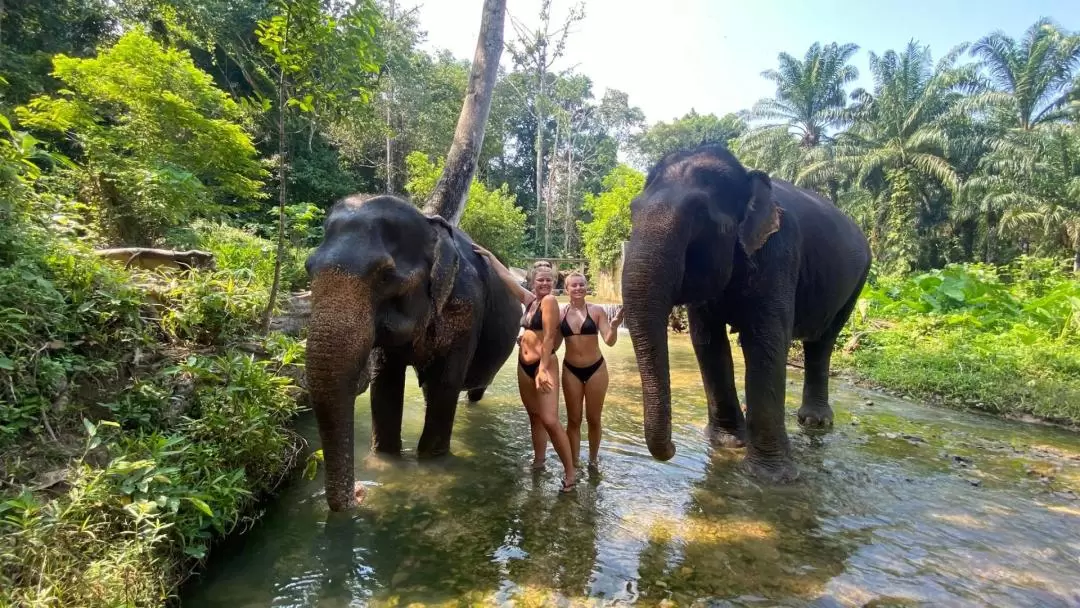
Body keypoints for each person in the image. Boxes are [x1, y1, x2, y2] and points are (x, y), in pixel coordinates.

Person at [473, 244, 578, 492]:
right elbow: (507, 278)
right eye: (540, 279)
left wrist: (542, 368)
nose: (545, 283)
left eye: (549, 280)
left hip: (544, 366)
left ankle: (570, 472)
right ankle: (539, 461)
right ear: (532, 282)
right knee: (534, 418)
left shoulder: (550, 301)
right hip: (523, 366)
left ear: (553, 283)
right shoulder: (530, 301)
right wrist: (489, 256)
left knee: (550, 420)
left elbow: (550, 336)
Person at [559, 271, 623, 467]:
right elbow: (552, 344)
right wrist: (529, 343)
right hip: (571, 370)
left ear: (586, 287)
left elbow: (609, 341)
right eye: (574, 285)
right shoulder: (560, 313)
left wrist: (614, 326)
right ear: (566, 289)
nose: (578, 288)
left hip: (596, 369)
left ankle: (593, 461)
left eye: (581, 284)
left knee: (594, 418)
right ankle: (575, 462)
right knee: (574, 420)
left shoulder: (596, 311)